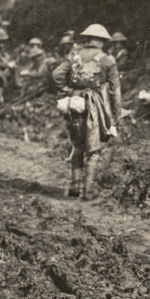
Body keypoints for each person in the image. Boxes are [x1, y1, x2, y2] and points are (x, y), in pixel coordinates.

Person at [51, 23, 122, 199]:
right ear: (101, 41)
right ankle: (88, 190)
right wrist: (115, 116)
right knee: (93, 150)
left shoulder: (74, 56)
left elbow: (56, 75)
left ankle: (74, 186)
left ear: (88, 39)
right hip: (94, 107)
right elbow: (115, 90)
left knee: (77, 145)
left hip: (74, 103)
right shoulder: (108, 60)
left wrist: (66, 90)